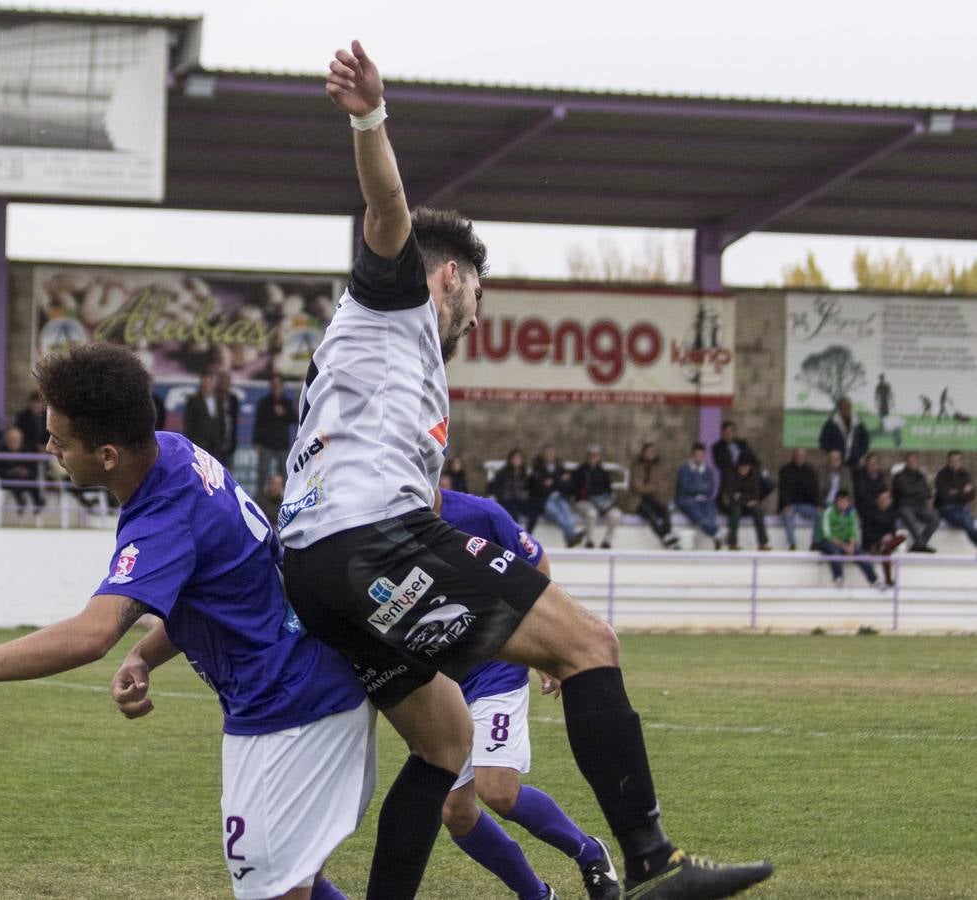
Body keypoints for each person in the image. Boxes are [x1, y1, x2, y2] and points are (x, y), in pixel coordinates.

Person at [276, 41, 769, 900]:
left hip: (314, 566)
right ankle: (653, 865)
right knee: (588, 644)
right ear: (452, 278)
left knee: (446, 745)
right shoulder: (394, 299)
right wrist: (370, 116)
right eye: (476, 299)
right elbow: (388, 201)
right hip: (371, 541)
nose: (474, 316)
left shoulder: (369, 353)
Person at [0, 344, 374, 900]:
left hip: (291, 710)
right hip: (300, 688)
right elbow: (226, 585)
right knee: (295, 881)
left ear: (107, 455)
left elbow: (91, 634)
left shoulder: (162, 515)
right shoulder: (173, 452)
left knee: (277, 892)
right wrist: (146, 654)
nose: (49, 448)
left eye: (60, 439)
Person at [437, 487, 620, 900]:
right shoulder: (384, 522)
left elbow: (535, 565)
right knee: (456, 812)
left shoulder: (481, 515)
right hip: (443, 678)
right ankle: (537, 896)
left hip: (497, 665)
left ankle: (590, 852)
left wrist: (543, 645)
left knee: (498, 789)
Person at [817, 491, 882, 589]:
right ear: (836, 502)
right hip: (827, 542)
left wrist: (851, 546)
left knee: (862, 554)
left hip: (846, 542)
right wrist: (844, 546)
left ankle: (874, 581)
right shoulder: (828, 512)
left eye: (845, 501)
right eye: (840, 501)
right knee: (835, 552)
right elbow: (827, 535)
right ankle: (838, 579)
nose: (843, 504)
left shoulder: (851, 512)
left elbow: (853, 532)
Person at [627, 443, 680, 549]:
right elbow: (637, 487)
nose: (651, 454)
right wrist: (653, 487)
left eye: (653, 451)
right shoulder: (636, 467)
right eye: (648, 451)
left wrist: (649, 487)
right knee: (651, 514)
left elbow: (663, 485)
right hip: (637, 500)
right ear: (643, 453)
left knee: (664, 510)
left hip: (653, 498)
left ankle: (668, 534)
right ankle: (665, 537)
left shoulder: (658, 468)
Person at [529, 445, 583, 546]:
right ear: (543, 455)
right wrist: (559, 481)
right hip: (545, 500)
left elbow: (569, 485)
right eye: (547, 453)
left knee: (568, 514)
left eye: (551, 453)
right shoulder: (537, 469)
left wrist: (552, 482)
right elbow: (538, 488)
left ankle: (570, 539)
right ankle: (571, 537)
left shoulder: (560, 468)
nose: (549, 455)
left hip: (560, 497)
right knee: (558, 515)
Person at [571, 444, 622, 549]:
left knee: (616, 515)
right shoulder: (580, 471)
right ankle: (589, 541)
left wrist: (605, 500)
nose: (593, 458)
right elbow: (575, 490)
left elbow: (608, 489)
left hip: (602, 502)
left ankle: (607, 541)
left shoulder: (602, 472)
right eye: (591, 455)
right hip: (584, 501)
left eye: (595, 455)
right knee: (592, 514)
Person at [719, 456, 771, 551]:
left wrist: (740, 496)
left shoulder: (754, 475)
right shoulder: (730, 475)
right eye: (742, 468)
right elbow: (730, 496)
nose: (744, 470)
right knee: (735, 511)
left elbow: (755, 495)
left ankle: (762, 543)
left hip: (748, 505)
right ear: (738, 467)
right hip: (735, 505)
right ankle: (732, 543)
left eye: (746, 468)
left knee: (759, 510)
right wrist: (746, 500)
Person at [0, 426, 45, 518]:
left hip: (25, 479)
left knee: (30, 479)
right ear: (6, 439)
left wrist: (26, 471)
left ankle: (38, 502)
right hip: (7, 479)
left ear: (21, 439)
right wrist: (11, 471)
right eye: (11, 439)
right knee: (15, 479)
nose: (13, 441)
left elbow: (34, 469)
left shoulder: (28, 450)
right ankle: (21, 501)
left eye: (16, 439)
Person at [675, 444, 721, 549]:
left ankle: (715, 534)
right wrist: (701, 488)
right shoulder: (685, 469)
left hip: (704, 501)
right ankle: (717, 534)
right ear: (692, 455)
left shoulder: (708, 470)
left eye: (702, 455)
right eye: (697, 455)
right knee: (699, 516)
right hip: (687, 501)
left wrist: (696, 488)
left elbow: (710, 489)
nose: (700, 457)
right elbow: (685, 488)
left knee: (711, 513)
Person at [254, 374, 297, 486]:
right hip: (266, 445)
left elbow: (294, 419)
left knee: (284, 474)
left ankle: (284, 499)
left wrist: (284, 413)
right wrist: (257, 442)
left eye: (278, 384)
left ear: (282, 386)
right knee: (262, 474)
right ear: (270, 386)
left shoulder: (287, 402)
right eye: (273, 384)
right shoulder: (264, 402)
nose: (276, 387)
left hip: (282, 445)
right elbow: (258, 423)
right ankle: (260, 499)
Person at [891, 452, 939, 552]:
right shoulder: (899, 476)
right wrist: (919, 491)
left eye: (915, 461)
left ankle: (918, 545)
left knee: (935, 518)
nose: (913, 463)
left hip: (919, 507)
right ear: (906, 462)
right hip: (904, 506)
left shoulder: (921, 476)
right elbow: (906, 491)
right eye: (910, 461)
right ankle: (921, 545)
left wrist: (917, 491)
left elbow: (927, 493)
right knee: (910, 518)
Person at [860, 490, 907, 586]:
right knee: (886, 553)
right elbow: (866, 533)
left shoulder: (891, 513)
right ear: (877, 499)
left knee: (902, 537)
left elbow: (893, 531)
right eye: (882, 499)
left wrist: (889, 536)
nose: (884, 501)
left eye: (886, 499)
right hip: (873, 542)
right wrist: (881, 538)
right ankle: (888, 580)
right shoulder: (869, 512)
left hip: (887, 542)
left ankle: (885, 547)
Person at [777, 448, 820, 550]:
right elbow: (782, 489)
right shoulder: (785, 470)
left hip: (806, 504)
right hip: (790, 504)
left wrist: (817, 505)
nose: (799, 458)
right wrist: (785, 505)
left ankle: (815, 543)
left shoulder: (810, 471)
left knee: (820, 515)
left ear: (805, 457)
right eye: (797, 455)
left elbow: (815, 489)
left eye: (802, 456)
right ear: (793, 456)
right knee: (787, 515)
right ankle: (792, 544)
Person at [934, 451, 977, 546]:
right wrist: (963, 491)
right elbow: (944, 496)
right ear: (948, 461)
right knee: (966, 522)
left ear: (961, 461)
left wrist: (955, 492)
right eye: (952, 460)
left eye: (957, 460)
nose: (955, 463)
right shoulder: (942, 475)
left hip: (962, 507)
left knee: (970, 521)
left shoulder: (965, 474)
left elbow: (972, 495)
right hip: (946, 508)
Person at [818, 397, 869, 472]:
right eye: (843, 407)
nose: (846, 409)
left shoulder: (858, 422)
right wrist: (832, 452)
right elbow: (823, 440)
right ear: (839, 409)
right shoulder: (832, 423)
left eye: (848, 407)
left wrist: (860, 454)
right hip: (836, 463)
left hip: (854, 463)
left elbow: (865, 440)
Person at [182, 372, 225, 461]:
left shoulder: (219, 400)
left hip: (216, 445)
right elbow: (189, 422)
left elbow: (221, 422)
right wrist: (192, 441)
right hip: (199, 443)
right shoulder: (194, 400)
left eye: (210, 382)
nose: (208, 384)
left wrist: (221, 439)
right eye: (205, 382)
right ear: (202, 383)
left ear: (214, 383)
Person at [488, 449, 534, 530]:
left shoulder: (525, 473)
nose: (517, 460)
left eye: (519, 458)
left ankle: (528, 535)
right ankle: (516, 536)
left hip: (521, 500)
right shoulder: (502, 473)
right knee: (514, 515)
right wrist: (502, 494)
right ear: (510, 460)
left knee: (533, 513)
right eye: (515, 458)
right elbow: (493, 487)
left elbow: (530, 488)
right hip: (507, 500)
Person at [216, 369, 241, 463]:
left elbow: (234, 422)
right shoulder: (213, 398)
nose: (224, 383)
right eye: (222, 380)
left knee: (228, 472)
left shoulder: (233, 399)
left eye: (227, 381)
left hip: (229, 442)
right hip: (214, 444)